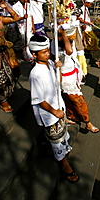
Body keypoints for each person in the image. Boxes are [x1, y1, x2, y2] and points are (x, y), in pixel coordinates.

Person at [28, 35, 79, 183]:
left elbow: (58, 83)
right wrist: (54, 111)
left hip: (58, 104)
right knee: (56, 139)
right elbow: (38, 99)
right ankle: (64, 164)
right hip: (50, 113)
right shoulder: (35, 74)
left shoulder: (50, 63)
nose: (47, 54)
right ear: (34, 54)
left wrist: (59, 69)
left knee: (61, 136)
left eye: (47, 50)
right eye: (43, 52)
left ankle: (59, 152)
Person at [52, 25, 100, 133]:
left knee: (71, 101)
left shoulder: (70, 45)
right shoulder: (59, 51)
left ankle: (71, 116)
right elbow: (68, 51)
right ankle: (88, 122)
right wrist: (63, 34)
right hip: (66, 81)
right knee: (79, 102)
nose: (72, 42)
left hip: (73, 78)